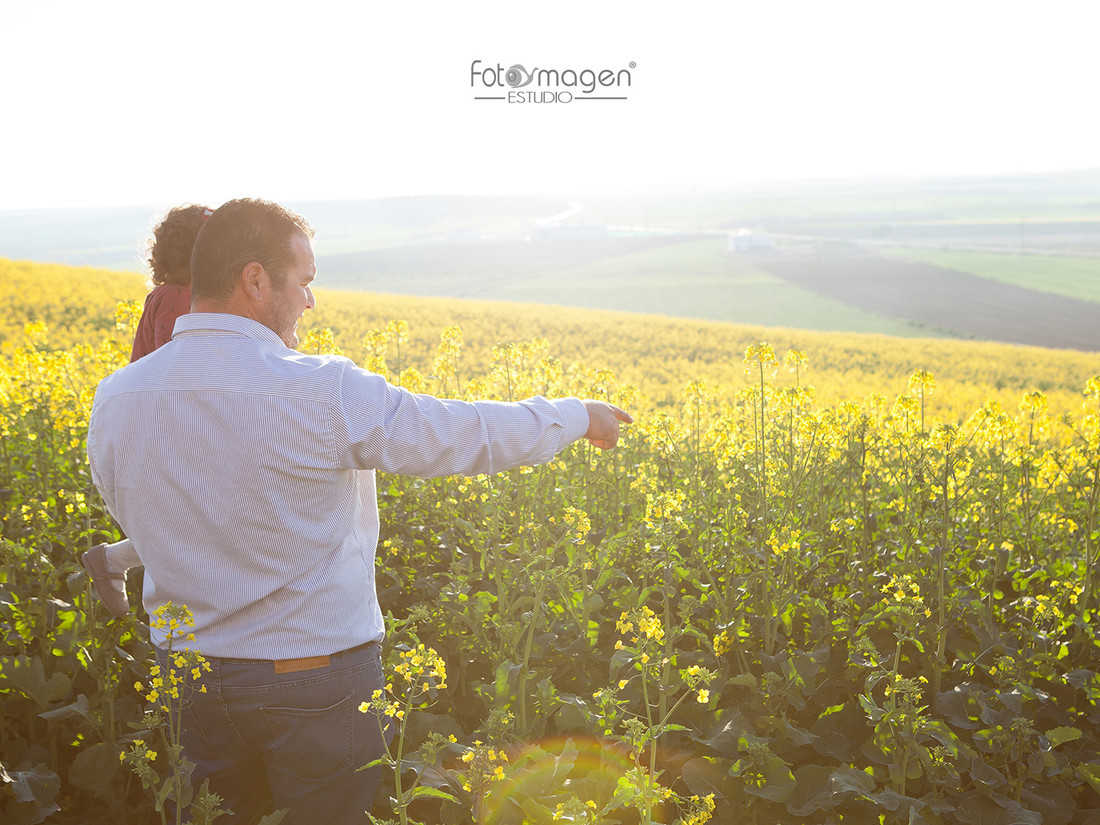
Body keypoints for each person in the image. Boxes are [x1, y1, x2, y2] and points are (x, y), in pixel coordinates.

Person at [86, 198, 631, 825]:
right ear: (255, 280)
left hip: (186, 680)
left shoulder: (117, 396)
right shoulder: (322, 388)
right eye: (305, 281)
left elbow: (138, 514)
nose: (310, 301)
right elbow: (457, 433)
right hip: (311, 679)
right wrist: (572, 414)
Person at [80, 203, 212, 617]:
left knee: (186, 521)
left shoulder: (174, 293)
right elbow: (177, 365)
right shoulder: (178, 298)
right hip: (169, 425)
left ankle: (111, 561)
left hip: (171, 421)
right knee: (190, 520)